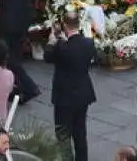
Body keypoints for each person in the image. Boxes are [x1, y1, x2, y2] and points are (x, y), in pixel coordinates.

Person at [44, 12, 97, 161]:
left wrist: (51, 41)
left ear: (65, 25)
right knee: (80, 132)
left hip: (64, 96)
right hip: (83, 94)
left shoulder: (61, 47)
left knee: (63, 133)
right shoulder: (88, 44)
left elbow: (47, 57)